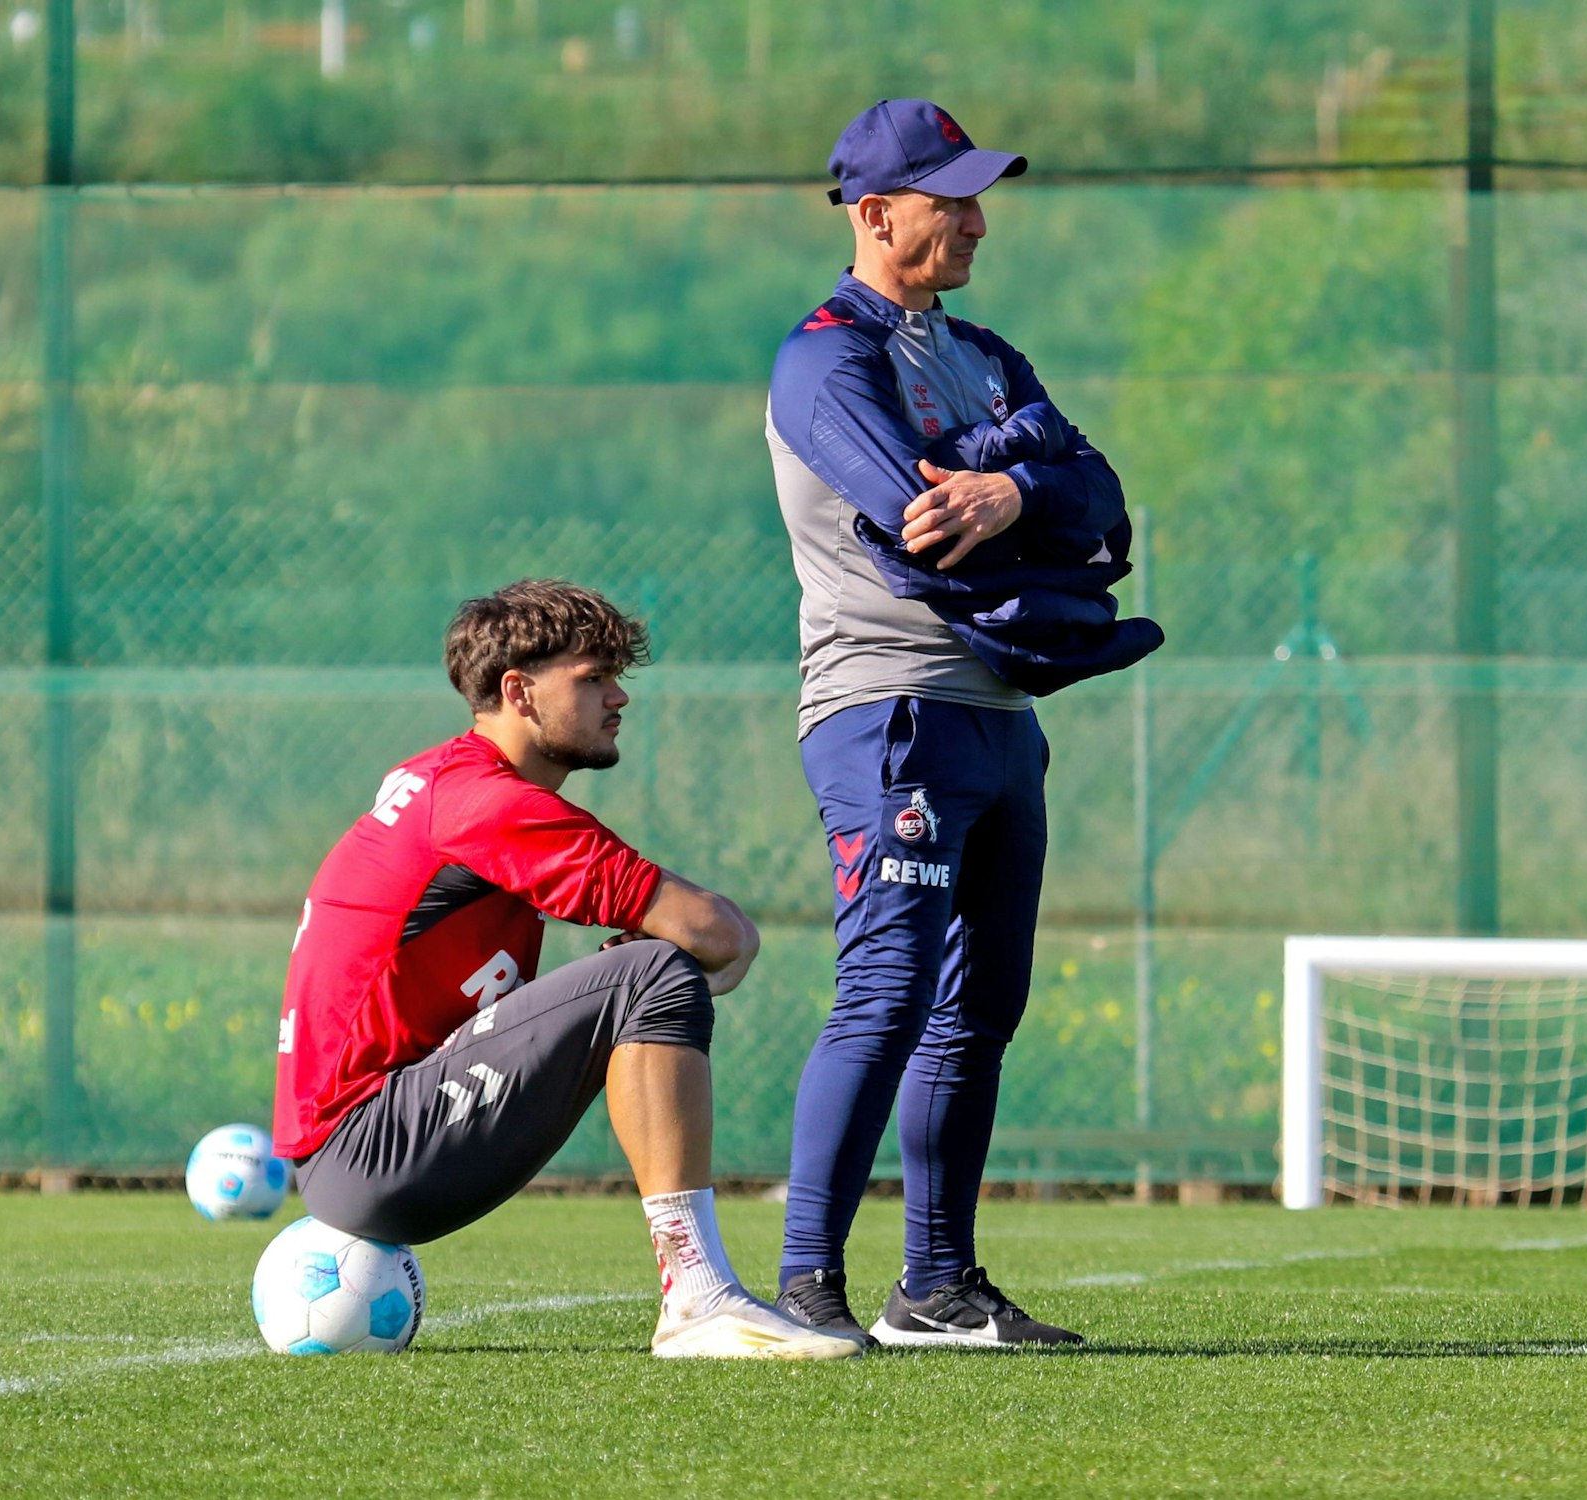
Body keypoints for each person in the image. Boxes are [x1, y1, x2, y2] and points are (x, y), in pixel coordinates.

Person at [763, 100, 1154, 1348]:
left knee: (979, 1006)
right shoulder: (823, 356)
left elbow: (1106, 515)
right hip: (887, 710)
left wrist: (1017, 482)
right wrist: (1014, 489)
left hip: (997, 715)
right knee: (882, 989)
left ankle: (935, 1288)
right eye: (951, 201)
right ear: (874, 216)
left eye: (979, 198)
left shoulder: (984, 351)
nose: (978, 221)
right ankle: (804, 1286)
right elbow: (916, 528)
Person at [271, 579, 861, 1361]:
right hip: (368, 1147)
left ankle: (700, 1296)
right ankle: (697, 1298)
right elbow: (715, 933)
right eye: (592, 679)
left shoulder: (447, 779)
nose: (618, 697)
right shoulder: (487, 802)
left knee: (645, 977)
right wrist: (701, 963)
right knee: (651, 973)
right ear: (518, 691)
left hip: (358, 1143)